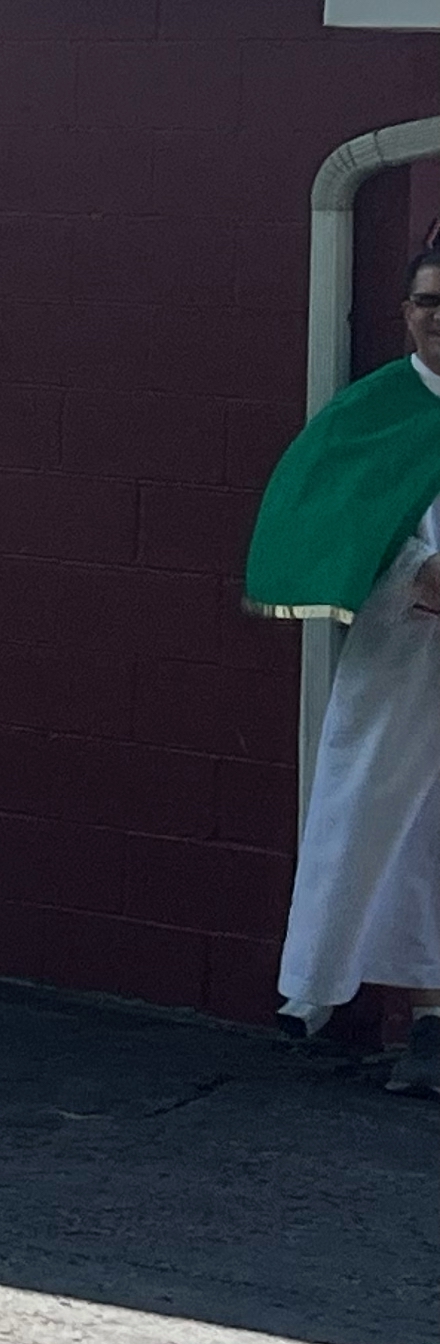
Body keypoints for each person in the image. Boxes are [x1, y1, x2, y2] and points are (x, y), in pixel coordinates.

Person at [245, 242, 440, 1084]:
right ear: (405, 314)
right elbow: (336, 515)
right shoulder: (375, 411)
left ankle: (433, 1026)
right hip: (405, 652)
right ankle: (333, 990)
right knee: (372, 813)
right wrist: (416, 573)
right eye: (430, 301)